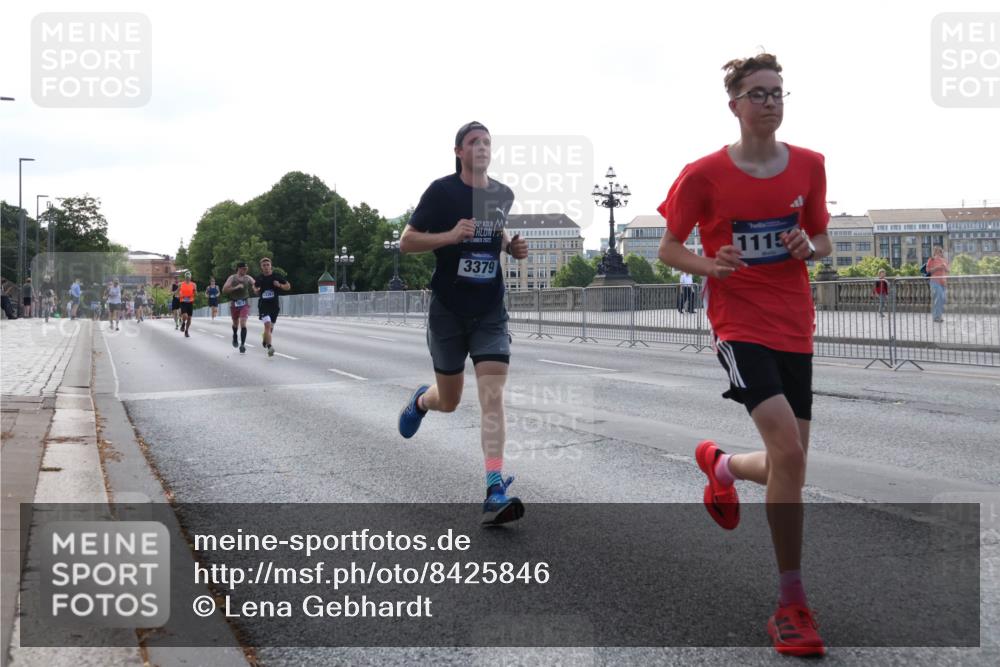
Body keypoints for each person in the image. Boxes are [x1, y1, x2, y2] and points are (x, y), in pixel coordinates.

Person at [657, 53, 831, 657]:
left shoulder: (810, 165)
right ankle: (791, 604)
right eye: (758, 93)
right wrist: (711, 264)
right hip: (739, 323)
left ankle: (724, 467)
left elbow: (822, 236)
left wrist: (809, 246)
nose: (770, 102)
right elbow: (669, 248)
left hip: (795, 324)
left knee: (792, 464)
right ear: (734, 105)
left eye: (778, 92)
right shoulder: (703, 174)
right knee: (790, 453)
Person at [397, 120, 529, 526]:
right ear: (459, 152)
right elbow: (406, 241)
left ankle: (494, 488)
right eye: (474, 142)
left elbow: (496, 233)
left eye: (487, 141)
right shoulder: (442, 192)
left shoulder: (502, 194)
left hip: (490, 309)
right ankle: (422, 400)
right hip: (449, 309)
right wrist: (450, 236)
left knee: (492, 395)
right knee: (450, 400)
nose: (482, 147)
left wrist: (511, 247)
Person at [254, 258, 291, 357]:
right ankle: (270, 347)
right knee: (267, 325)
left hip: (274, 306)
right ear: (261, 267)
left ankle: (265, 338)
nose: (266, 267)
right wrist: (256, 290)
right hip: (263, 305)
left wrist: (280, 285)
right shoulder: (259, 278)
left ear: (271, 266)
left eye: (267, 265)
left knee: (270, 327)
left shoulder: (276, 276)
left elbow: (288, 286)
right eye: (264, 265)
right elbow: (255, 287)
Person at [223, 262, 256, 353]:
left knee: (243, 323)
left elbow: (255, 284)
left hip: (244, 303)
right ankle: (235, 335)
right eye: (244, 269)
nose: (245, 270)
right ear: (239, 269)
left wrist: (256, 288)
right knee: (235, 324)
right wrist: (236, 287)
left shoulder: (247, 278)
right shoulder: (232, 278)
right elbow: (224, 290)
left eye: (246, 269)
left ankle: (242, 345)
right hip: (234, 303)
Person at [926, 246, 949, 323]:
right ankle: (937, 317)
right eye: (938, 251)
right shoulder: (931, 259)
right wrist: (937, 267)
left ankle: (938, 315)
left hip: (943, 282)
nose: (940, 253)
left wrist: (945, 267)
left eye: (941, 251)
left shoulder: (944, 260)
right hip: (935, 281)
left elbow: (948, 271)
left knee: (943, 299)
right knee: (939, 298)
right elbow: (928, 271)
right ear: (935, 252)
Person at [177, 272, 197, 337]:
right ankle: (183, 323)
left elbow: (195, 294)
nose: (188, 278)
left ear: (190, 277)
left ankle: (186, 331)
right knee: (185, 315)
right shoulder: (180, 284)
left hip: (190, 302)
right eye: (186, 277)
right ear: (185, 277)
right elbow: (178, 292)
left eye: (189, 277)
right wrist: (179, 294)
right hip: (183, 301)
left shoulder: (193, 284)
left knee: (189, 318)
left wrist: (195, 291)